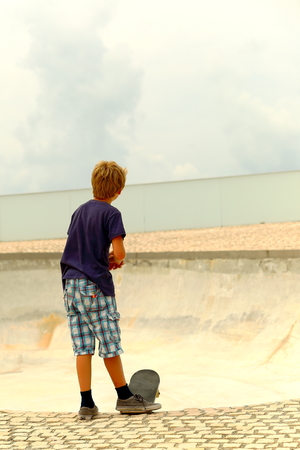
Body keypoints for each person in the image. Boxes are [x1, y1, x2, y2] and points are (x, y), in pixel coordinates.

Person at [60, 161, 161, 419]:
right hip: (95, 287)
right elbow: (119, 252)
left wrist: (101, 259)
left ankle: (86, 404)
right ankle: (125, 397)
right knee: (109, 344)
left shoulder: (79, 211)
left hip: (71, 285)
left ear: (94, 184)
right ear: (119, 191)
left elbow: (81, 248)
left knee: (82, 347)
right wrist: (114, 259)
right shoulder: (111, 213)